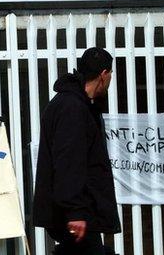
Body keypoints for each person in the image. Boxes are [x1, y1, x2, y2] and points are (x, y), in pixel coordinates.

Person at [33, 47, 121, 255]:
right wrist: (75, 211)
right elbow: (68, 162)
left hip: (75, 211)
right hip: (74, 214)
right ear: (104, 75)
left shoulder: (76, 105)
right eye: (110, 75)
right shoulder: (72, 108)